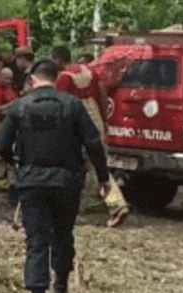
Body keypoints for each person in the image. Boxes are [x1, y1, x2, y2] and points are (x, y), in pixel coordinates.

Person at [0, 60, 111, 293]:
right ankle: (61, 285)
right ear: (56, 79)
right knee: (63, 233)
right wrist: (103, 178)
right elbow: (93, 142)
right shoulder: (72, 105)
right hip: (66, 182)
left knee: (36, 242)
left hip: (32, 182)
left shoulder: (20, 106)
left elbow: (1, 146)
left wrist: (18, 164)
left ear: (33, 79)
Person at [52, 46, 131, 227]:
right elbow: (102, 95)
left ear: (58, 60)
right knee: (98, 166)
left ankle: (113, 205)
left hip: (76, 124)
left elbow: (62, 104)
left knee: (71, 166)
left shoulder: (64, 78)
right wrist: (104, 120)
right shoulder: (91, 72)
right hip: (95, 120)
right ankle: (109, 204)